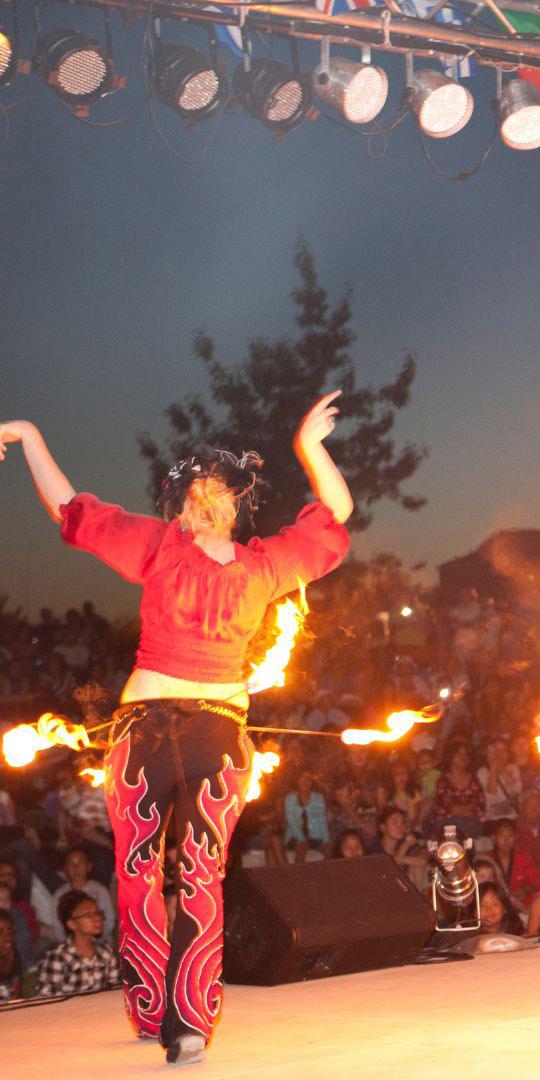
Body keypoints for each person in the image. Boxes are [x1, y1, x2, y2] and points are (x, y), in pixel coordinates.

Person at [1, 393, 352, 1063]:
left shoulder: (263, 563)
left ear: (235, 500)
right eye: (194, 485)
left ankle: (185, 1020)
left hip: (214, 735)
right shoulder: (159, 546)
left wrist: (311, 448)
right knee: (138, 873)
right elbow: (71, 510)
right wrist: (29, 433)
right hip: (142, 732)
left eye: (214, 483)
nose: (204, 491)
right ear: (181, 503)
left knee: (196, 873)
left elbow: (335, 515)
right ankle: (151, 1006)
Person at [34, 891, 121, 998]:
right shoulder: (59, 958)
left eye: (98, 913)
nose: (97, 919)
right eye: (88, 915)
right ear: (72, 924)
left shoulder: (106, 953)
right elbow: (45, 1000)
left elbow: (114, 992)